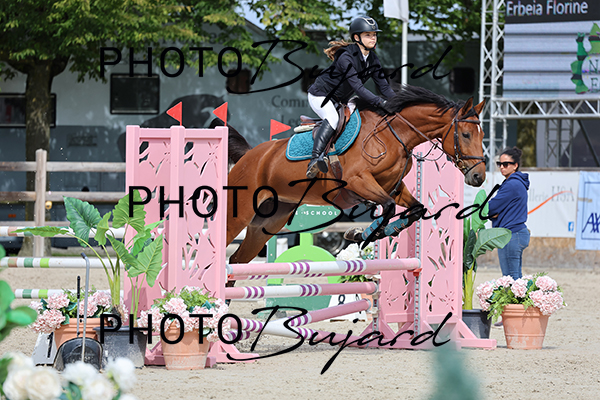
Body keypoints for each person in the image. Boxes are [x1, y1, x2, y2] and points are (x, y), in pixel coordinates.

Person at [306, 15, 396, 178]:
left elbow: (384, 87)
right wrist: (380, 102)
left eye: (374, 34)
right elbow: (358, 88)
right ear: (356, 37)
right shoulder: (345, 56)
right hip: (321, 95)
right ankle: (315, 159)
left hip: (341, 100)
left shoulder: (373, 59)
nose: (373, 38)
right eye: (368, 35)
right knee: (332, 118)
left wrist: (397, 102)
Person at [488, 147, 530, 279]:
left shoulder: (512, 185)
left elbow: (490, 208)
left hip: (511, 234)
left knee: (510, 279)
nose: (502, 167)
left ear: (515, 165)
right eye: (499, 164)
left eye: (506, 164)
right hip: (516, 233)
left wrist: (495, 213)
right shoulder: (516, 183)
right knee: (515, 279)